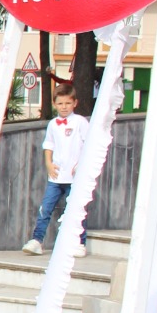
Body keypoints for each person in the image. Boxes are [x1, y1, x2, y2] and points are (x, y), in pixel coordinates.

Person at [23, 87, 90, 257]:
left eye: (68, 103)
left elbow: (89, 144)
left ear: (75, 103)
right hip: (56, 176)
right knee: (45, 208)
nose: (64, 107)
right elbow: (48, 145)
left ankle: (80, 242)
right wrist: (48, 164)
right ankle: (37, 240)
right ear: (55, 104)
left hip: (75, 177)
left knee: (76, 209)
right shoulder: (53, 124)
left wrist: (81, 165)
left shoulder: (81, 122)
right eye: (60, 103)